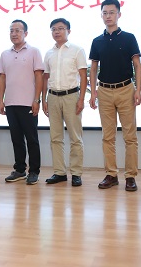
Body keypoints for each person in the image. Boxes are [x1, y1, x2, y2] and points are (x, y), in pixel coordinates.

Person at [89, 0, 141, 191]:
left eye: (112, 12)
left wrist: (138, 90)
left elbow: (137, 65)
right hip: (104, 91)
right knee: (107, 136)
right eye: (105, 13)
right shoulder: (97, 41)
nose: (108, 16)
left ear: (119, 14)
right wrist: (93, 92)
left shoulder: (129, 38)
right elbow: (93, 68)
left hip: (125, 89)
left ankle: (130, 176)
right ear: (101, 15)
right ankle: (111, 174)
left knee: (130, 136)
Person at [0, 20, 44, 185]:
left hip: (28, 103)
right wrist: (1, 100)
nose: (14, 34)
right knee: (16, 138)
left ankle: (34, 171)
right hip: (11, 103)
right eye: (11, 31)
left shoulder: (34, 51)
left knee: (31, 139)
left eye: (18, 30)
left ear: (25, 33)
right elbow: (2, 78)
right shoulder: (5, 54)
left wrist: (36, 99)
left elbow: (39, 77)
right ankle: (19, 170)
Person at [42, 18, 87, 187]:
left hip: (71, 96)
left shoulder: (77, 50)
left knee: (75, 137)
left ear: (68, 31)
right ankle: (59, 172)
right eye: (54, 29)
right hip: (53, 97)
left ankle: (76, 173)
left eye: (60, 28)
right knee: (55, 137)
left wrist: (81, 99)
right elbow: (46, 78)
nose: (57, 32)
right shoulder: (49, 53)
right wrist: (43, 99)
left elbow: (83, 76)